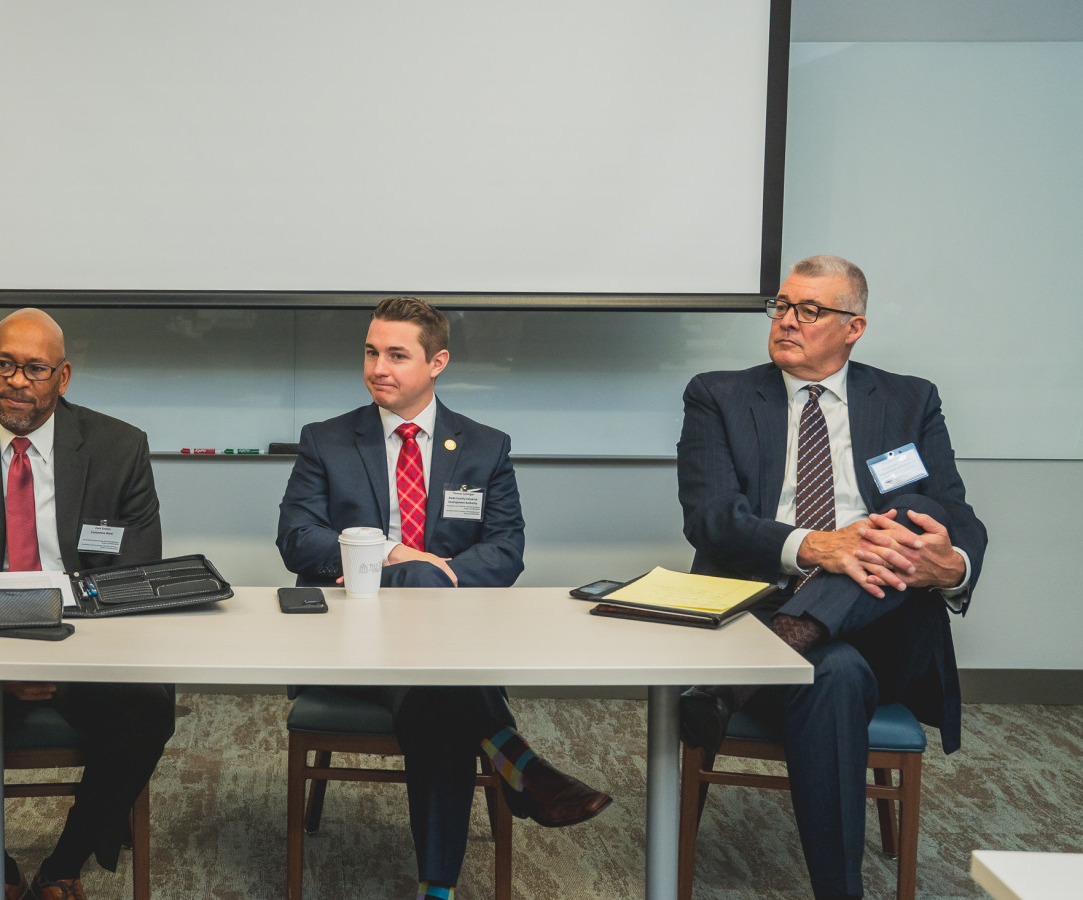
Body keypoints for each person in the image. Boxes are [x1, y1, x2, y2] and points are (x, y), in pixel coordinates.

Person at [276, 296, 612, 900]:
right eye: (371, 352)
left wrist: (435, 576)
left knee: (436, 692)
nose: (378, 367)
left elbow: (506, 550)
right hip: (349, 643)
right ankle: (512, 769)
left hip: (447, 645)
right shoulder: (326, 440)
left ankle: (440, 882)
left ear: (437, 362)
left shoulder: (484, 446)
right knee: (443, 671)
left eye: (397, 355)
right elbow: (298, 541)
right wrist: (395, 556)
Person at [676, 255, 987, 900]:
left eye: (810, 310)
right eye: (783, 306)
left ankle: (760, 661)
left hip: (882, 624)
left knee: (884, 535)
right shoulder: (719, 395)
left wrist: (951, 566)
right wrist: (816, 546)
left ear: (855, 328)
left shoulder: (909, 399)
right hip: (757, 608)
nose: (788, 321)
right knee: (834, 671)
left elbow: (956, 512)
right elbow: (711, 520)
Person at [0, 308, 172, 900]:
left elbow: (132, 580)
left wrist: (55, 658)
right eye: (4, 365)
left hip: (81, 641)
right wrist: (1, 657)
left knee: (150, 706)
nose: (16, 381)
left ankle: (64, 865)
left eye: (35, 369)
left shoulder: (119, 448)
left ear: (63, 377)